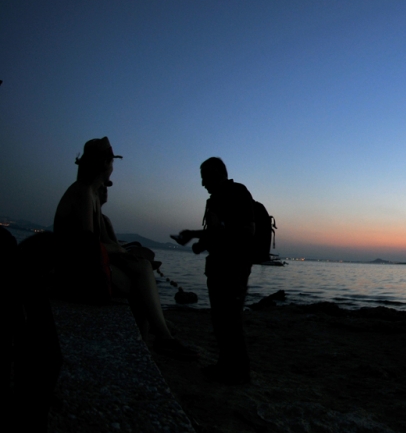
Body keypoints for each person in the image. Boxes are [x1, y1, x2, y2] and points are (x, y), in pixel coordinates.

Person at [53, 137, 195, 360]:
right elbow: (86, 248)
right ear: (105, 163)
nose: (112, 170)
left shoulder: (88, 193)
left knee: (142, 270)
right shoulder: (82, 193)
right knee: (141, 280)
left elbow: (96, 245)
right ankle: (154, 341)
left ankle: (152, 341)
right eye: (111, 163)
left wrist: (122, 253)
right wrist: (121, 252)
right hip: (73, 272)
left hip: (81, 266)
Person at [172, 157, 255, 384]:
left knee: (231, 319)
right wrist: (197, 238)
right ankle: (225, 366)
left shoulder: (238, 193)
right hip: (218, 266)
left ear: (218, 175)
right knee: (220, 319)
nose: (202, 184)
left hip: (234, 267)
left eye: (205, 179)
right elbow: (217, 234)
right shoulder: (215, 199)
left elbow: (247, 230)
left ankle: (240, 372)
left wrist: (217, 229)